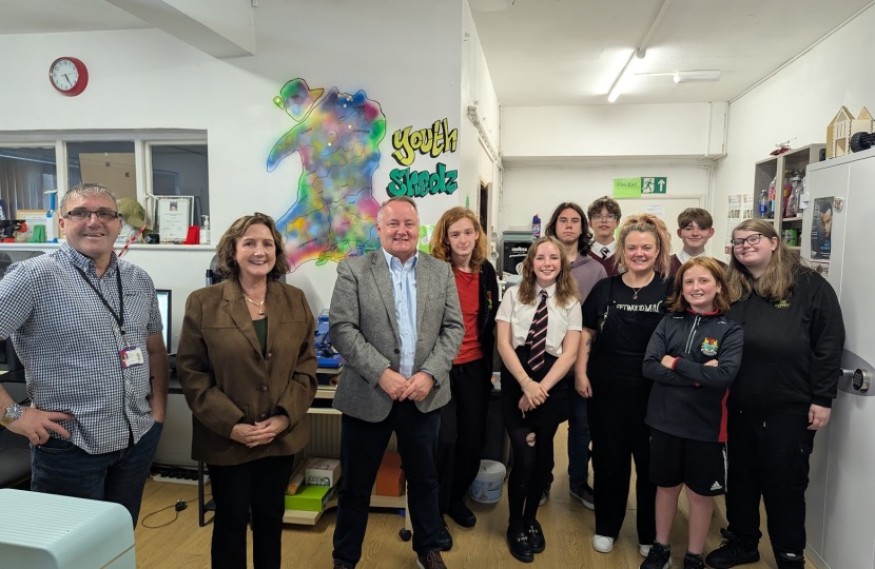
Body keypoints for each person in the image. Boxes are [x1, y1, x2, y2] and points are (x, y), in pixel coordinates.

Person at [0, 183, 168, 525]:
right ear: (63, 223)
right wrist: (12, 415)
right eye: (80, 213)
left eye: (105, 213)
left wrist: (158, 413)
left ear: (118, 224)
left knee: (118, 539)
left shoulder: (138, 279)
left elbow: (154, 347)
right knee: (70, 547)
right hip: (70, 447)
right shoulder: (32, 277)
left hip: (136, 439)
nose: (94, 221)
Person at [176, 213, 317, 569]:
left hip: (279, 438)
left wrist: (283, 418)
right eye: (250, 243)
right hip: (227, 438)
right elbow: (192, 372)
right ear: (233, 251)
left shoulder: (295, 300)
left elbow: (306, 366)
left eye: (267, 244)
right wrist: (233, 425)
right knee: (231, 519)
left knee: (270, 519)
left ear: (277, 252)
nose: (259, 251)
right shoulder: (203, 302)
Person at [329, 196, 464, 569]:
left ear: (418, 228)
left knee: (425, 480)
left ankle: (427, 548)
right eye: (393, 223)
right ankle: (345, 558)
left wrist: (429, 374)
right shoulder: (354, 270)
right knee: (356, 485)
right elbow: (342, 328)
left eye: (408, 223)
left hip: (423, 397)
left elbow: (454, 328)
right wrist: (381, 374)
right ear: (379, 229)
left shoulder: (440, 271)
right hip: (368, 395)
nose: (401, 230)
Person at [705, 219, 845, 569]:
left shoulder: (809, 286)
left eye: (753, 238)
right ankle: (743, 542)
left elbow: (829, 345)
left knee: (785, 484)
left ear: (773, 242)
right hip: (738, 404)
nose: (745, 246)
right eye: (738, 242)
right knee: (741, 480)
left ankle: (789, 554)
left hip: (788, 406)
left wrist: (822, 398)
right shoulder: (733, 287)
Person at [578, 213, 674, 556]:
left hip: (655, 394)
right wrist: (580, 372)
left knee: (651, 466)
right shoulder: (606, 288)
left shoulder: (670, 290)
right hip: (606, 391)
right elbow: (587, 332)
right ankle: (607, 526)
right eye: (632, 247)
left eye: (646, 247)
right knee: (608, 462)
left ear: (657, 250)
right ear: (622, 250)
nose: (639, 253)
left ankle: (649, 534)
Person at [639, 257, 744, 569]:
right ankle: (661, 547)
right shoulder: (668, 322)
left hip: (706, 428)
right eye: (689, 282)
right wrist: (700, 375)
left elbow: (723, 376)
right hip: (664, 422)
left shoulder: (731, 330)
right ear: (681, 288)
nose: (696, 287)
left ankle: (694, 555)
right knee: (666, 488)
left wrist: (675, 363)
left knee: (700, 495)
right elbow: (649, 366)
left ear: (719, 286)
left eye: (704, 281)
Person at [495, 236, 582, 563]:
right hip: (517, 376)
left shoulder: (571, 301)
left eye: (553, 258)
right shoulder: (513, 295)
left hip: (551, 382)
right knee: (525, 457)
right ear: (530, 262)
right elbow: (503, 344)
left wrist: (540, 388)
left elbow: (570, 352)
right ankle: (514, 524)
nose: (547, 263)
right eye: (540, 257)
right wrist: (526, 385)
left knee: (543, 458)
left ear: (562, 263)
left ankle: (531, 519)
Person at [428, 207, 500, 550]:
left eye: (468, 232)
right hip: (441, 368)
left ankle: (455, 499)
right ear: (445, 238)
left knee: (473, 440)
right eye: (454, 234)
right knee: (446, 440)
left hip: (475, 367)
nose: (462, 239)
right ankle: (435, 512)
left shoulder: (486, 271)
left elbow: (491, 319)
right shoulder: (434, 271)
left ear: (477, 235)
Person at [543, 202, 606, 509]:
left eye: (574, 221)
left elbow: (593, 324)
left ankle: (578, 483)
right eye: (562, 220)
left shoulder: (596, 269)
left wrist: (582, 369)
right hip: (546, 360)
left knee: (582, 427)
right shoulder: (542, 260)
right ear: (554, 225)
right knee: (544, 426)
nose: (568, 225)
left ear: (583, 228)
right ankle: (541, 481)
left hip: (582, 361)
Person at [669, 208, 727, 277]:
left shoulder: (723, 269)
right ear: (679, 233)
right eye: (688, 229)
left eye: (702, 228)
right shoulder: (663, 266)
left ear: (710, 232)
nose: (695, 233)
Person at [587, 196, 622, 276]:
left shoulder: (626, 253)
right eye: (598, 216)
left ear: (617, 222)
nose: (604, 221)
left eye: (610, 216)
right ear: (590, 223)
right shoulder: (582, 253)